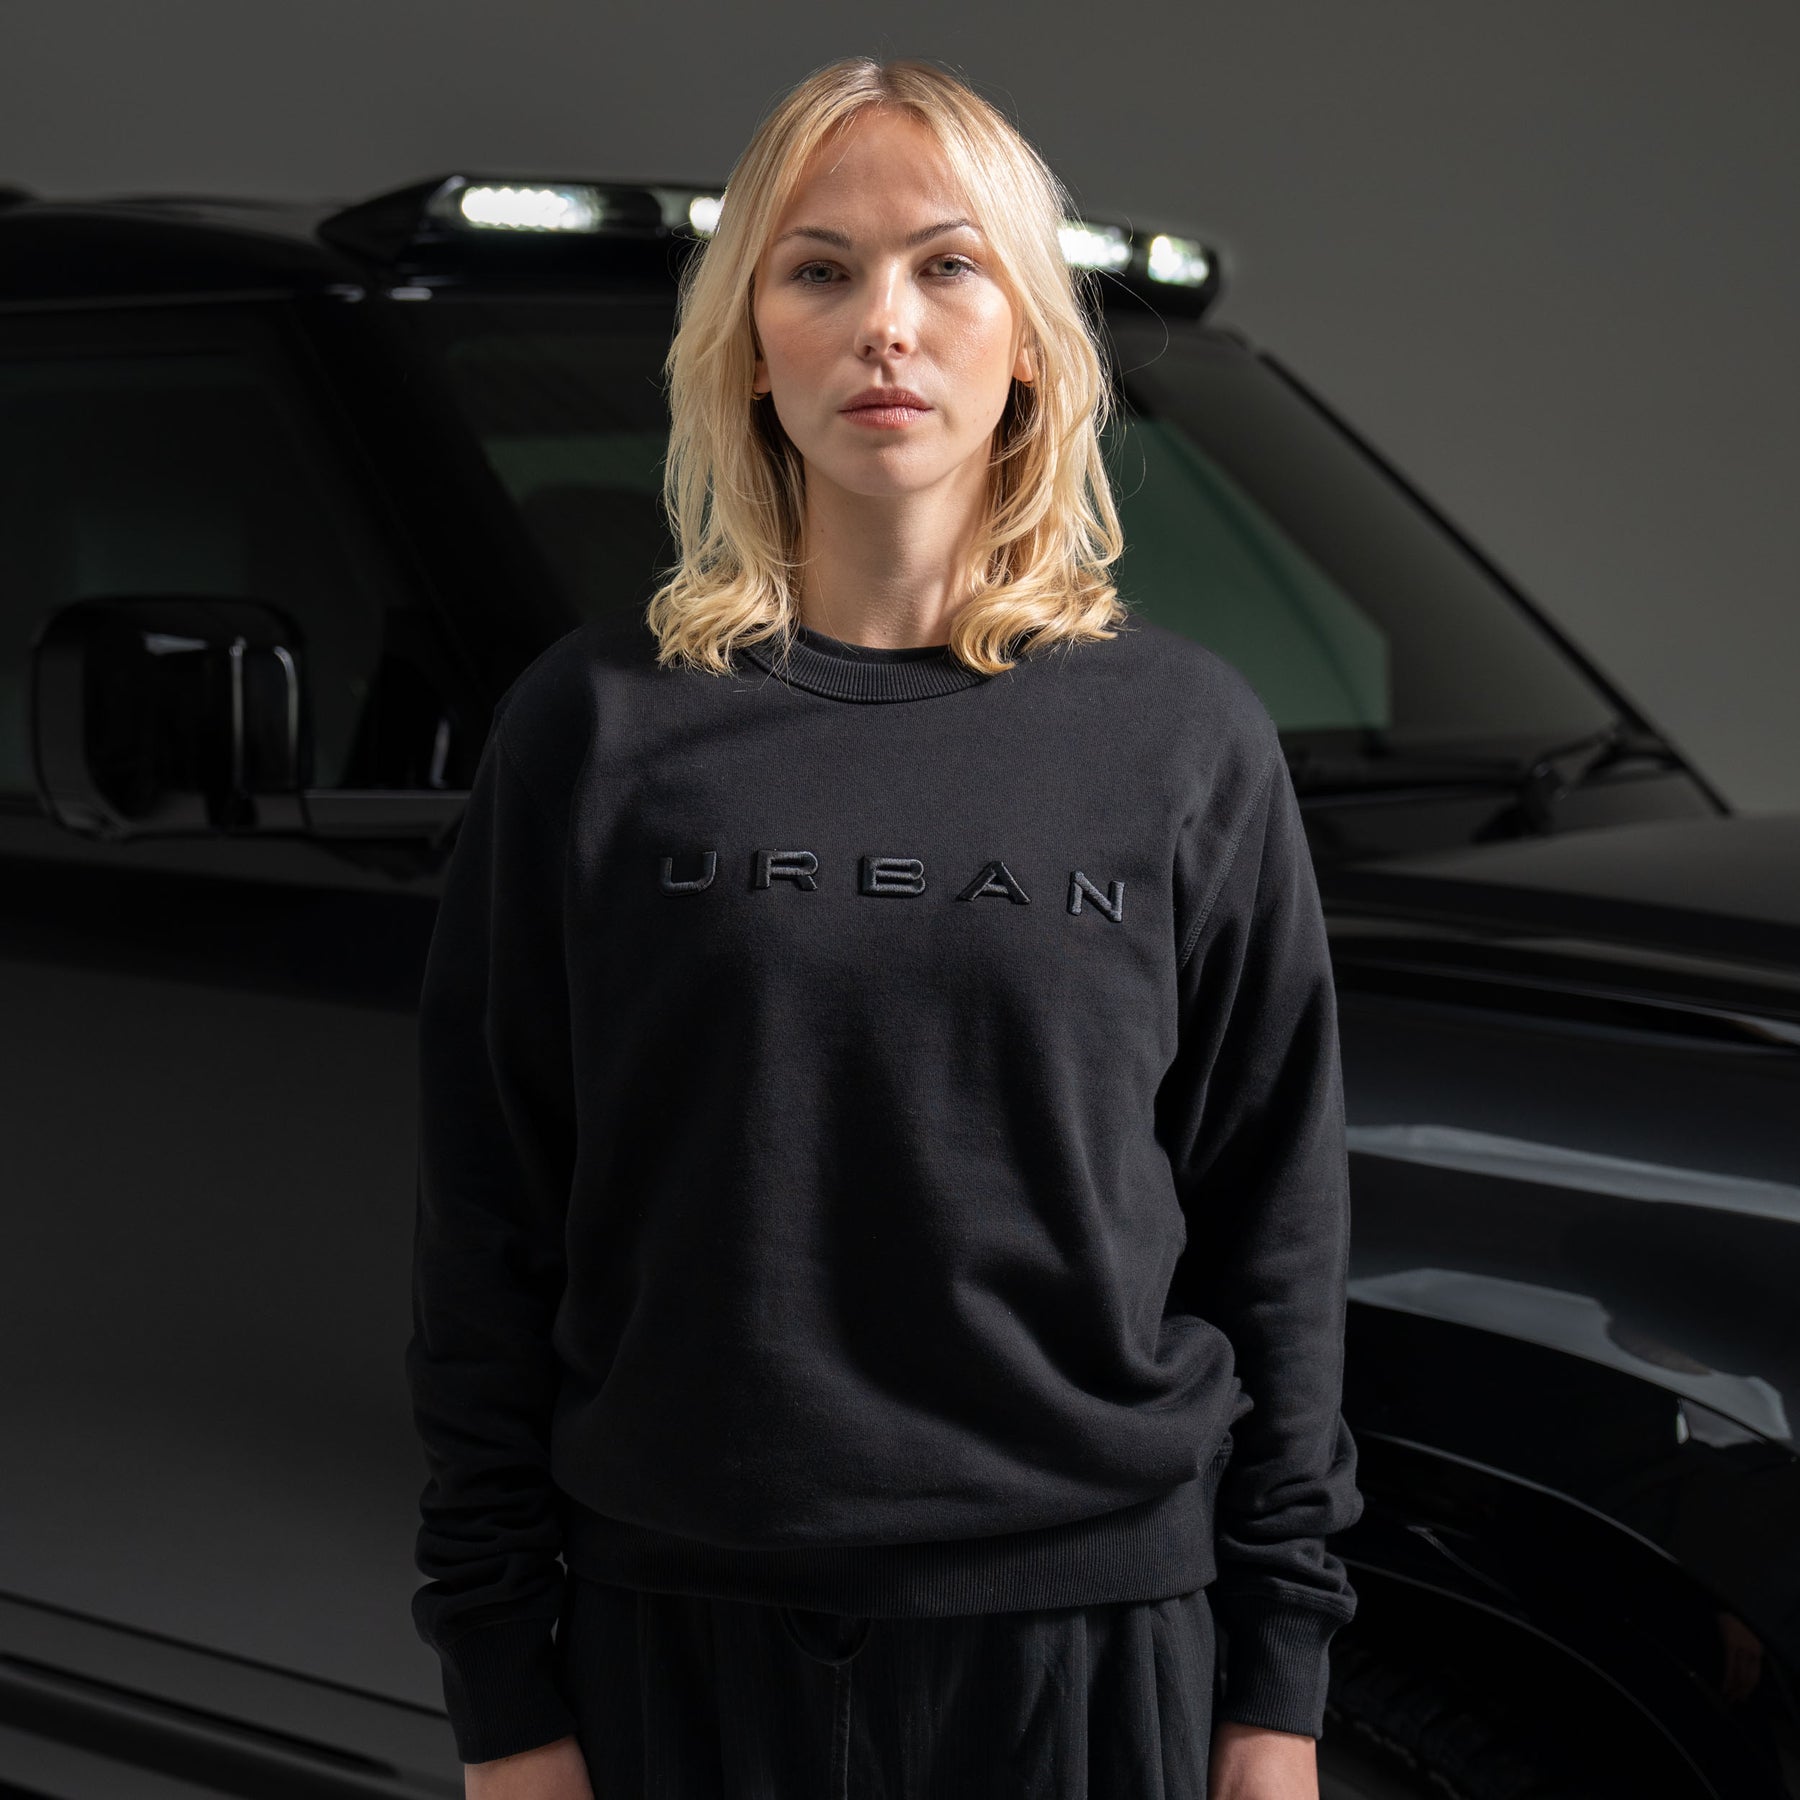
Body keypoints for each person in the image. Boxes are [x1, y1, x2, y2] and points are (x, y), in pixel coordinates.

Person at [405, 52, 1364, 1800]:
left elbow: (1276, 1236)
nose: (886, 327)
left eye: (948, 265)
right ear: (747, 345)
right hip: (680, 1639)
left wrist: (1276, 1699)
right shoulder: (596, 730)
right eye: (820, 270)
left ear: (1033, 341)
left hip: (1082, 1642)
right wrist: (504, 1698)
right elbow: (487, 1222)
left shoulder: (1183, 740)